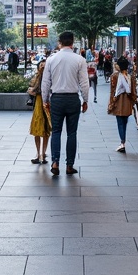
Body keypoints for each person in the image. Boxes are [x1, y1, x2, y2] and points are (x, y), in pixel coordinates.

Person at [41, 30, 90, 176]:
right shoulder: (79, 60)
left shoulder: (51, 59)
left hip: (56, 98)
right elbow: (84, 83)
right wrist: (85, 100)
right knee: (72, 133)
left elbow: (45, 82)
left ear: (59, 43)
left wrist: (45, 100)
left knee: (56, 131)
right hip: (73, 98)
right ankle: (69, 165)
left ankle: (55, 162)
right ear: (72, 42)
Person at [109, 55, 137, 153]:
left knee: (120, 122)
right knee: (124, 121)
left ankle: (122, 142)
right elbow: (133, 91)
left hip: (119, 101)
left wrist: (112, 102)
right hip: (128, 102)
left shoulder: (115, 76)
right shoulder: (131, 77)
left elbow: (113, 90)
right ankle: (123, 141)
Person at [26, 57, 50, 163]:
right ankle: (38, 153)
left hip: (47, 105)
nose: (43, 67)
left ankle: (43, 153)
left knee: (46, 131)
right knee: (36, 129)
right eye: (41, 66)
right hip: (38, 105)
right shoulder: (36, 78)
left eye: (45, 66)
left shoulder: (50, 78)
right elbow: (31, 89)